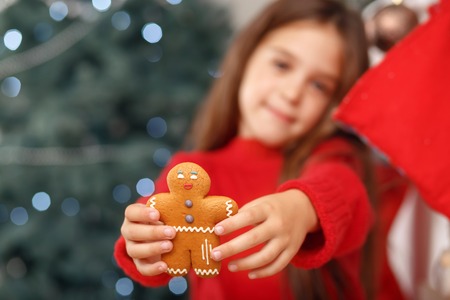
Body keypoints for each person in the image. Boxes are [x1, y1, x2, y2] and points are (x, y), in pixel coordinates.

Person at [114, 0, 374, 299]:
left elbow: (347, 193)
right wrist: (143, 243)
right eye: (282, 65)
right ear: (246, 54)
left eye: (319, 85)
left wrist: (303, 208)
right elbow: (156, 240)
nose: (292, 94)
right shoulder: (194, 171)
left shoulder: (331, 155)